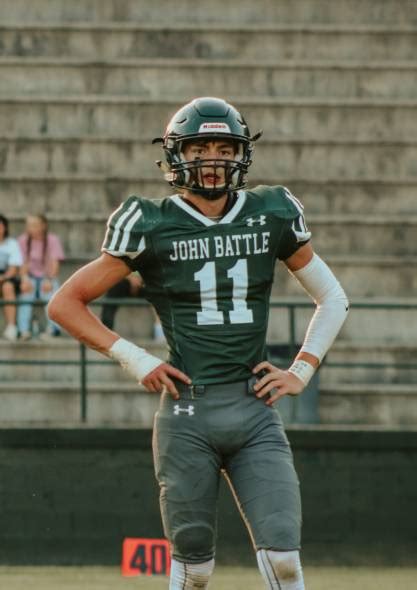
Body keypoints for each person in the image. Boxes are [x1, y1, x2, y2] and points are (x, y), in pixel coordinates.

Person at [48, 97, 349, 590]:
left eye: (224, 149)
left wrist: (301, 370)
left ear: (241, 154)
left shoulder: (271, 211)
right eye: (200, 148)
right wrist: (136, 359)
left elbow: (333, 297)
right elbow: (65, 302)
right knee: (194, 570)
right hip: (188, 412)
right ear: (176, 155)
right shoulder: (150, 221)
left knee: (286, 559)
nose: (212, 160)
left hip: (254, 410)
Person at [17, 214, 65, 340]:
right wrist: (24, 279)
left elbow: (55, 264)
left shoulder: (52, 240)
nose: (31, 228)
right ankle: (23, 330)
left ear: (43, 226)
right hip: (30, 277)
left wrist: (49, 279)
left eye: (34, 225)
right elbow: (21, 263)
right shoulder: (23, 240)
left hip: (47, 277)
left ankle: (53, 328)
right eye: (29, 225)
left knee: (52, 296)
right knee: (25, 295)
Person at [101, 273, 165, 342]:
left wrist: (141, 278)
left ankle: (160, 331)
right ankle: (106, 334)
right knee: (113, 289)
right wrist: (130, 277)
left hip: (146, 281)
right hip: (123, 279)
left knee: (157, 292)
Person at [0, 214, 23, 341]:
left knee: (8, 287)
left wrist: (2, 278)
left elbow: (14, 269)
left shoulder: (12, 244)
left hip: (7, 279)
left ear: (5, 228)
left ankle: (11, 326)